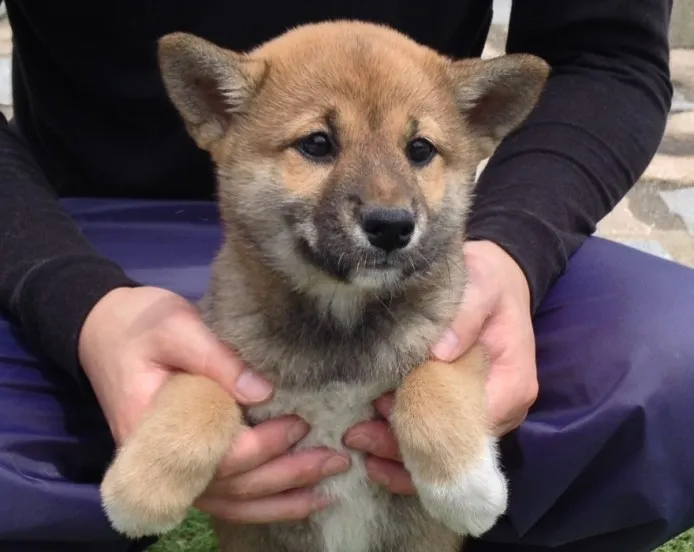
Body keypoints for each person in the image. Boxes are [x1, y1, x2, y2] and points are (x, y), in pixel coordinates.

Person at [0, 0, 691, 551]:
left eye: (419, 149)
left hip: (456, 262)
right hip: (87, 232)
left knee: (673, 362)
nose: (387, 201)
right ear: (214, 106)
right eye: (319, 144)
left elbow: (608, 53)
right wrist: (71, 299)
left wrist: (514, 251)